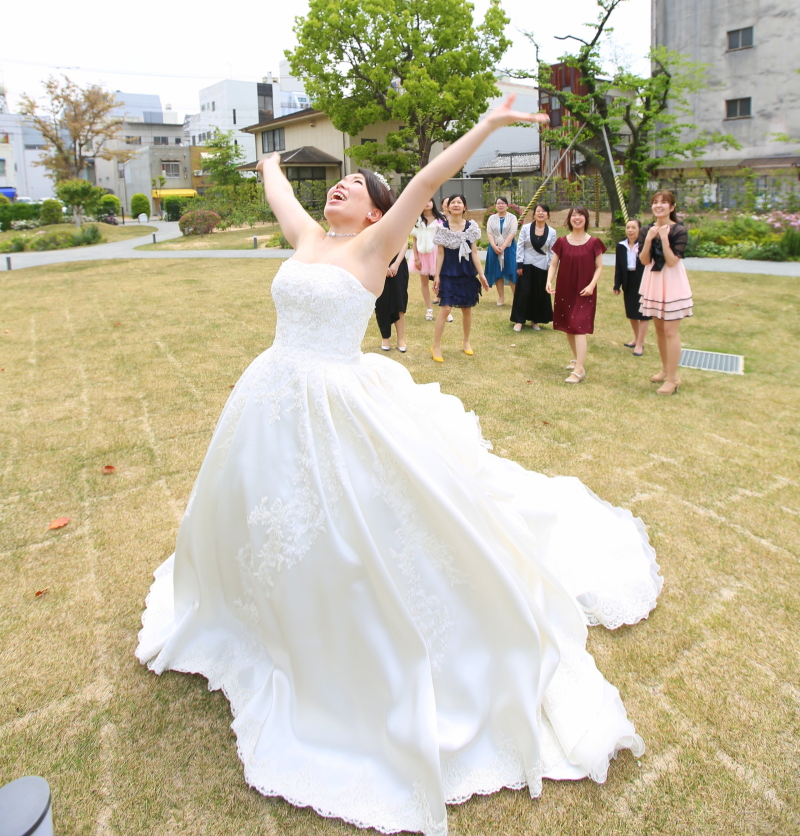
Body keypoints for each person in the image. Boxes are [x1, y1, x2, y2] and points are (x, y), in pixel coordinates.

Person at [137, 99, 662, 836]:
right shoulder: (310, 239)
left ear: (381, 211)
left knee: (352, 525)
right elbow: (284, 197)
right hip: (269, 395)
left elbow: (430, 176)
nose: (339, 189)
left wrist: (487, 127)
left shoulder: (373, 247)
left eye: (354, 185)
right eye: (337, 184)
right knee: (260, 510)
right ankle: (253, 614)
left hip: (331, 401)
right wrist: (265, 166)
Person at [639, 190, 693, 395]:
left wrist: (664, 238)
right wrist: (649, 239)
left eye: (664, 202)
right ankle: (665, 369)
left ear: (672, 207)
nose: (658, 205)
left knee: (671, 331)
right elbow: (644, 260)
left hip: (671, 282)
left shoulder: (679, 230)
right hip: (654, 280)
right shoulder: (647, 230)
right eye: (655, 202)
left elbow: (672, 261)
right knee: (660, 329)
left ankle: (673, 378)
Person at [546, 205, 606, 384]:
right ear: (569, 219)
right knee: (568, 327)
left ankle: (579, 370)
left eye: (580, 215)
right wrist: (549, 281)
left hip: (584, 291)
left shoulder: (594, 242)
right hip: (565, 289)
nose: (577, 218)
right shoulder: (562, 242)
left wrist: (592, 285)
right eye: (574, 215)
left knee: (579, 327)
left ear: (586, 218)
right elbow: (553, 265)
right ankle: (577, 359)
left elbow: (599, 267)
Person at [431, 195, 487, 359]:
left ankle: (466, 341)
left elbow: (475, 252)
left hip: (466, 272)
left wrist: (481, 274)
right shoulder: (442, 228)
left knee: (467, 309)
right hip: (448, 272)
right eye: (452, 202)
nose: (456, 205)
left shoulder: (471, 227)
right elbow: (440, 254)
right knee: (446, 308)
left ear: (465, 207)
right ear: (447, 207)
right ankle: (435, 346)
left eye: (459, 202)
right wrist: (436, 275)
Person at [512, 203, 557, 332]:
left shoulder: (552, 232)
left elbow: (552, 251)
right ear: (534, 214)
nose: (541, 213)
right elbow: (520, 246)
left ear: (548, 215)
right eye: (538, 211)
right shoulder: (526, 228)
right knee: (523, 293)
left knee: (538, 294)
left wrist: (550, 268)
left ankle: (535, 320)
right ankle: (519, 320)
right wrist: (519, 264)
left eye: (543, 211)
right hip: (526, 265)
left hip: (542, 266)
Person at [613, 218, 649, 356]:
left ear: (639, 229)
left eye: (633, 227)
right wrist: (617, 284)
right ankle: (636, 338)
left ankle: (640, 343)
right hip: (628, 280)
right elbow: (619, 267)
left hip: (643, 280)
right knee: (632, 313)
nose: (630, 230)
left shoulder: (645, 245)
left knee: (643, 314)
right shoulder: (621, 245)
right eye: (628, 227)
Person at [409, 199, 444, 319]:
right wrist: (416, 258)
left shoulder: (440, 219)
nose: (427, 203)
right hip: (421, 254)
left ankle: (445, 310)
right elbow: (414, 239)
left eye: (429, 200)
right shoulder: (416, 220)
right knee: (424, 282)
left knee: (440, 280)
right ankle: (429, 309)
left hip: (436, 252)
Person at [375, 241, 409, 351]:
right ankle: (385, 338)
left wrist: (396, 264)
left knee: (399, 300)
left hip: (398, 264)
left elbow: (404, 241)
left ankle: (401, 339)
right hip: (379, 263)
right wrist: (383, 266)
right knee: (382, 302)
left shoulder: (399, 223)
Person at [485, 197, 518, 306]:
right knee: (497, 272)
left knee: (511, 270)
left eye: (503, 203)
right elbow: (489, 233)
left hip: (508, 248)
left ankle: (516, 297)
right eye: (498, 203)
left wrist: (503, 246)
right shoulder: (491, 218)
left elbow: (512, 233)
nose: (500, 205)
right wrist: (494, 246)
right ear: (495, 205)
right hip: (494, 248)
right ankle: (501, 297)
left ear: (507, 205)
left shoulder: (512, 218)